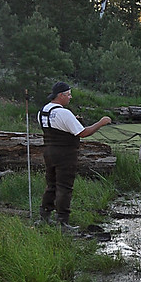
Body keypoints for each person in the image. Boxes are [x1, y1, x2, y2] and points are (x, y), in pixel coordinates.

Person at [38, 81, 112, 230]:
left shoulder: (43, 111)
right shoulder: (64, 113)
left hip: (49, 153)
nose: (70, 97)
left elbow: (58, 128)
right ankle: (63, 222)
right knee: (64, 187)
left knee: (51, 185)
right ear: (61, 95)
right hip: (65, 155)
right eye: (69, 94)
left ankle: (44, 217)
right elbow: (83, 133)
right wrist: (101, 122)